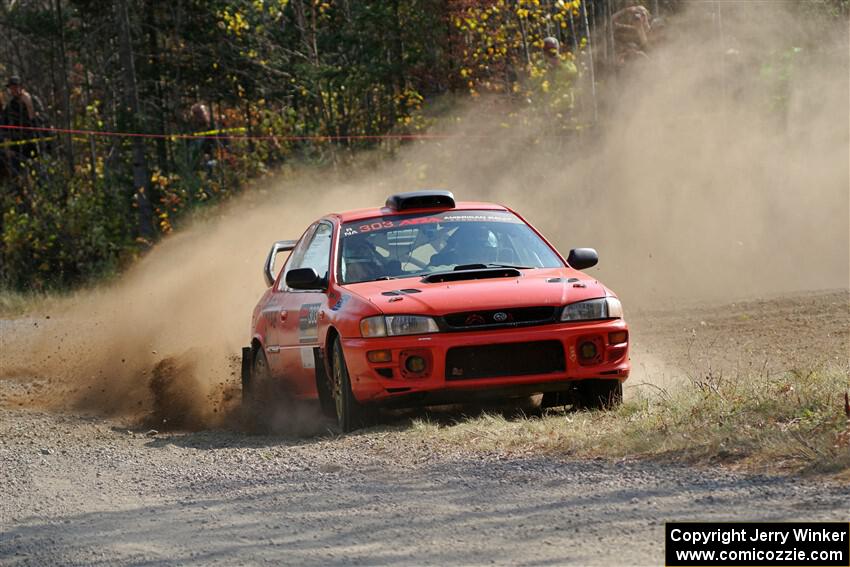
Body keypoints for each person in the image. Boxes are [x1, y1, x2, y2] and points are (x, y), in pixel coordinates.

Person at [1, 75, 47, 175]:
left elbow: (40, 123)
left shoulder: (34, 100)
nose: (13, 90)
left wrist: (29, 105)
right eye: (11, 88)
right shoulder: (10, 107)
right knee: (16, 174)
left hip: (35, 144)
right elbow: (4, 128)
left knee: (41, 173)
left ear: (21, 87)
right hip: (18, 147)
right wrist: (7, 148)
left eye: (15, 87)